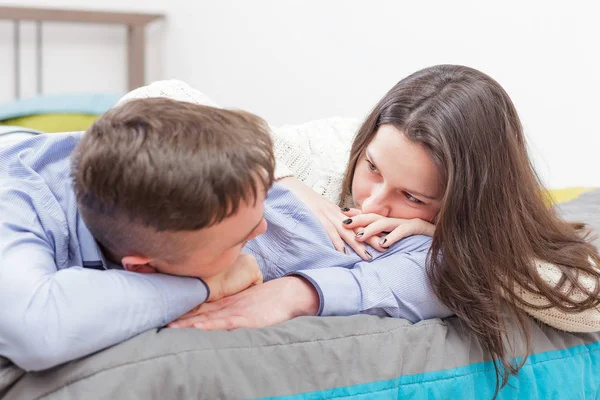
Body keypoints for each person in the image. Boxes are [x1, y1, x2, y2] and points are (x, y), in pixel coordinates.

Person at [148, 66, 600, 392]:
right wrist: (279, 176)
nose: (373, 201)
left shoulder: (454, 227)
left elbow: (586, 300)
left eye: (413, 197)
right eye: (372, 168)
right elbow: (161, 95)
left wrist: (445, 237)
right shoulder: (326, 151)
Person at [0, 96, 448, 372]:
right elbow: (39, 328)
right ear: (143, 266)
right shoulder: (16, 203)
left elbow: (440, 268)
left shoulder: (254, 201)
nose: (264, 229)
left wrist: (300, 292)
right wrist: (206, 285)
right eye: (240, 241)